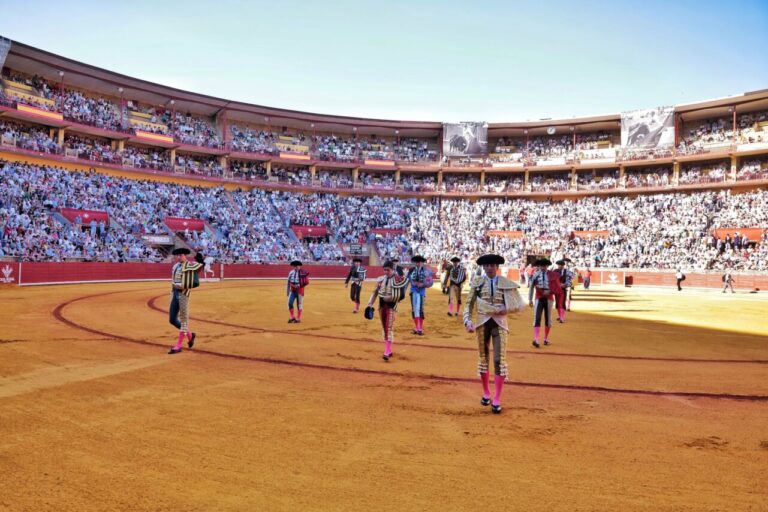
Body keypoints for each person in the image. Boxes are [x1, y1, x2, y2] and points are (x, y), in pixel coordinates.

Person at [463, 253, 525, 414]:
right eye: (487, 265)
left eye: (492, 265)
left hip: (500, 323)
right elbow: (469, 304)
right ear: (483, 267)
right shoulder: (477, 282)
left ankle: (497, 398)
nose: (490, 268)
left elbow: (517, 304)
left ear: (497, 267)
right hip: (483, 322)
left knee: (499, 359)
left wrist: (505, 309)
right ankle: (486, 393)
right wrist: (467, 320)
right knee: (483, 358)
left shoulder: (505, 283)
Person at [367, 260, 409, 361]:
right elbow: (375, 292)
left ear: (393, 269)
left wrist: (389, 298)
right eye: (384, 270)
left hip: (391, 307)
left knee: (388, 328)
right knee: (384, 328)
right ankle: (389, 350)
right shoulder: (381, 279)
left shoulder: (398, 279)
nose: (386, 272)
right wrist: (369, 303)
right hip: (381, 306)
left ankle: (387, 351)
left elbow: (401, 295)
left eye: (388, 270)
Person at [167, 247, 204, 354]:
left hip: (183, 294)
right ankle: (190, 335)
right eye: (177, 255)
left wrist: (200, 259)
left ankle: (178, 346)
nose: (178, 257)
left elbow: (199, 267)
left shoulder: (190, 265)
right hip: (175, 293)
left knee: (183, 320)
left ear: (185, 255)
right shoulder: (175, 266)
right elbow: (173, 281)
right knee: (172, 319)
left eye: (180, 255)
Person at [528, 258, 553, 348]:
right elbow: (531, 287)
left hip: (549, 298)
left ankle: (546, 339)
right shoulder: (535, 275)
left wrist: (550, 291)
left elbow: (556, 287)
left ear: (547, 266)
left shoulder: (551, 275)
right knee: (537, 317)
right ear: (539, 266)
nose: (543, 267)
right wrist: (530, 299)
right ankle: (536, 339)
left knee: (548, 319)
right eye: (541, 266)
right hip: (538, 298)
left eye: (545, 266)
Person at [407, 255, 434, 335]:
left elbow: (430, 282)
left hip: (421, 292)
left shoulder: (427, 271)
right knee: (414, 309)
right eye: (416, 262)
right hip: (413, 291)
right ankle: (417, 327)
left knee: (420, 309)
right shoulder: (411, 270)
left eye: (419, 262)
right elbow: (408, 280)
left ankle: (420, 328)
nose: (418, 263)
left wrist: (423, 285)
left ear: (422, 262)